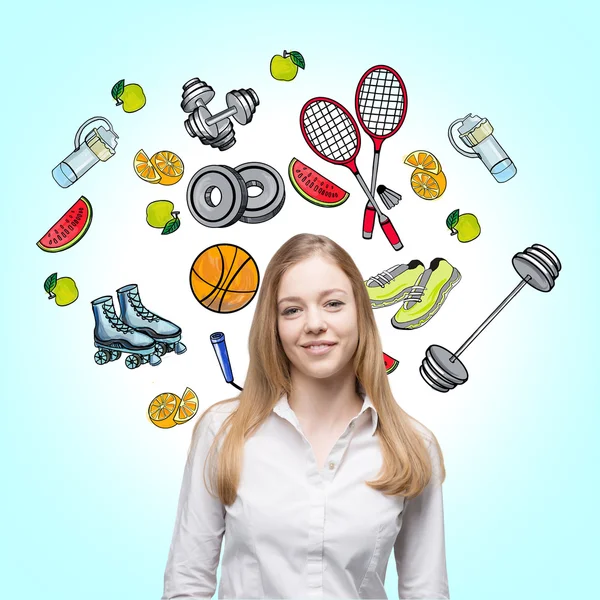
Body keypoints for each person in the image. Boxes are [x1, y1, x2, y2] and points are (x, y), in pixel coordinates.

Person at [161, 233, 450, 599]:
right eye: (292, 310)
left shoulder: (413, 447)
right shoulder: (222, 432)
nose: (314, 323)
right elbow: (188, 583)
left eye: (332, 304)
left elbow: (425, 591)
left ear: (360, 313)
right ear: (274, 326)